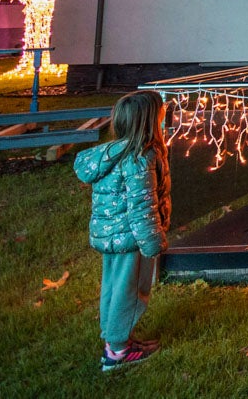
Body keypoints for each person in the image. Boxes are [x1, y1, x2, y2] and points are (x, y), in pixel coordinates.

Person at [74, 91, 172, 372]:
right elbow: (141, 205)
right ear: (149, 122)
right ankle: (116, 352)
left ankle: (119, 342)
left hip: (114, 236)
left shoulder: (117, 152)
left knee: (115, 289)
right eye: (161, 115)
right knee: (130, 292)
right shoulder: (140, 159)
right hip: (133, 239)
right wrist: (152, 243)